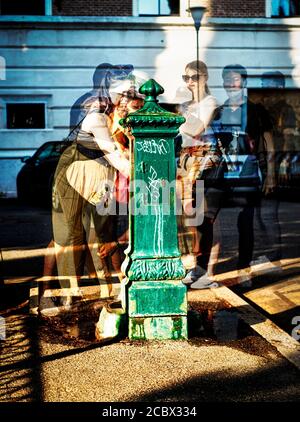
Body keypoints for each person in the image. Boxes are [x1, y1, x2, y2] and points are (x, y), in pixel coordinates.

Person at [39, 65, 135, 315]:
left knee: (100, 235)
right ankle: (56, 294)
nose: (128, 101)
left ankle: (93, 289)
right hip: (75, 175)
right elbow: (114, 154)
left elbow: (122, 151)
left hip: (100, 178)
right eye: (124, 95)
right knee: (68, 237)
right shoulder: (96, 116)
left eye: (131, 95)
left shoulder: (119, 117)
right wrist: (142, 177)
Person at [217, 64, 276, 284]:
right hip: (223, 175)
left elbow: (269, 142)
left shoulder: (256, 110)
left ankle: (244, 268)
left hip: (249, 174)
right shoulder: (220, 110)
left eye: (236, 79)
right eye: (228, 79)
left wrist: (271, 175)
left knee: (246, 221)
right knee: (220, 223)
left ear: (244, 82)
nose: (232, 83)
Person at [177, 60, 225, 289]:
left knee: (209, 219)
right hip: (189, 164)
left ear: (204, 77)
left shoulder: (210, 101)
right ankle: (198, 266)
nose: (189, 82)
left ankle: (210, 273)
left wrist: (177, 117)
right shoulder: (185, 105)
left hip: (209, 164)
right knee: (193, 219)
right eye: (185, 78)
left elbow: (197, 128)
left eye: (193, 77)